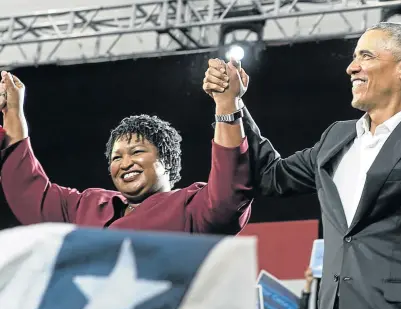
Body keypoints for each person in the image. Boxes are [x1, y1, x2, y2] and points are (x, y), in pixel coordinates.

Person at [203, 23, 401, 309]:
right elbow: (270, 176)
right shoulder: (336, 137)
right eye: (354, 57)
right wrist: (233, 104)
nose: (351, 68)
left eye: (366, 56)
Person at [0, 62, 253, 234]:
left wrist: (226, 104)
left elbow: (228, 193)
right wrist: (12, 113)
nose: (124, 163)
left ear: (166, 160)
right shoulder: (87, 206)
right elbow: (31, 196)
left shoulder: (190, 207)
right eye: (116, 157)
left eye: (137, 152)